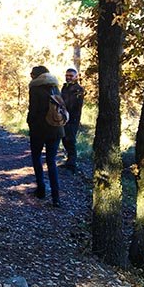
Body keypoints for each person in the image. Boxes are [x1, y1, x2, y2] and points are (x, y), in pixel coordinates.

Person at [26, 65, 63, 207]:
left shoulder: (35, 88)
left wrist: (30, 123)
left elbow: (33, 110)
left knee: (36, 158)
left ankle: (41, 190)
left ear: (36, 75)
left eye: (32, 74)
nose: (31, 76)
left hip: (39, 129)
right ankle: (56, 197)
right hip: (57, 128)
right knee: (51, 161)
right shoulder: (55, 86)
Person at [60, 68, 85, 173]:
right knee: (64, 139)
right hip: (64, 117)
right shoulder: (65, 87)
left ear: (76, 77)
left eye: (71, 75)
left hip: (73, 119)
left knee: (70, 140)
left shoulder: (78, 89)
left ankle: (72, 164)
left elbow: (74, 105)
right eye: (67, 75)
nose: (68, 77)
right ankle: (69, 162)